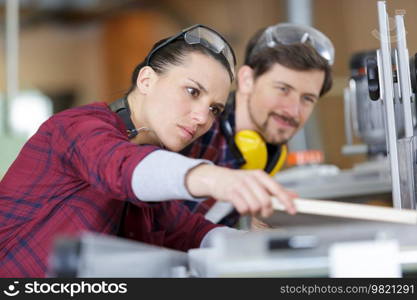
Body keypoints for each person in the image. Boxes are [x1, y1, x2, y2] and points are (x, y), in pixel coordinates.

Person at [0, 24, 296, 277]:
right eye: (192, 92)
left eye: (214, 109)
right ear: (146, 80)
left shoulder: (150, 181)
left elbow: (189, 232)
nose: (202, 117)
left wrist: (257, 241)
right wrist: (218, 179)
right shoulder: (77, 128)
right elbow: (119, 166)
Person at [182, 23, 334, 227]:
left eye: (307, 99)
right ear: (246, 80)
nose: (293, 111)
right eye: (283, 89)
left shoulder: (271, 148)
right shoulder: (193, 134)